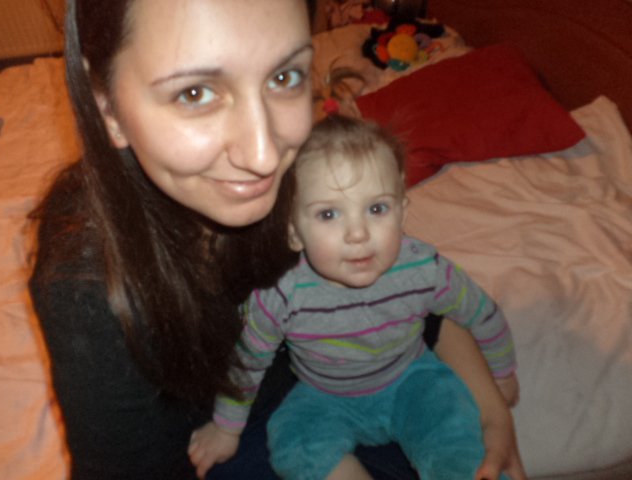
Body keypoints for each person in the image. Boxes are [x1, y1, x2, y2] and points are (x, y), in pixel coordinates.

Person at [29, 0, 522, 479]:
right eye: (195, 93)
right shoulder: (88, 284)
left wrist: (491, 413)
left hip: (373, 396)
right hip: (253, 439)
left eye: (284, 77)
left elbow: (405, 295)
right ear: (107, 108)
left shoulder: (304, 174)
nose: (264, 155)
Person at [189, 115, 525, 480]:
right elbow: (248, 361)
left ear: (403, 212)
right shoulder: (280, 295)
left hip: (413, 382)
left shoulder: (425, 270)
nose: (358, 233)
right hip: (324, 397)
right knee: (294, 441)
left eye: (377, 209)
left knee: (458, 440)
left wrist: (501, 373)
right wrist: (227, 428)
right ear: (293, 232)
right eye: (328, 214)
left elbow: (480, 312)